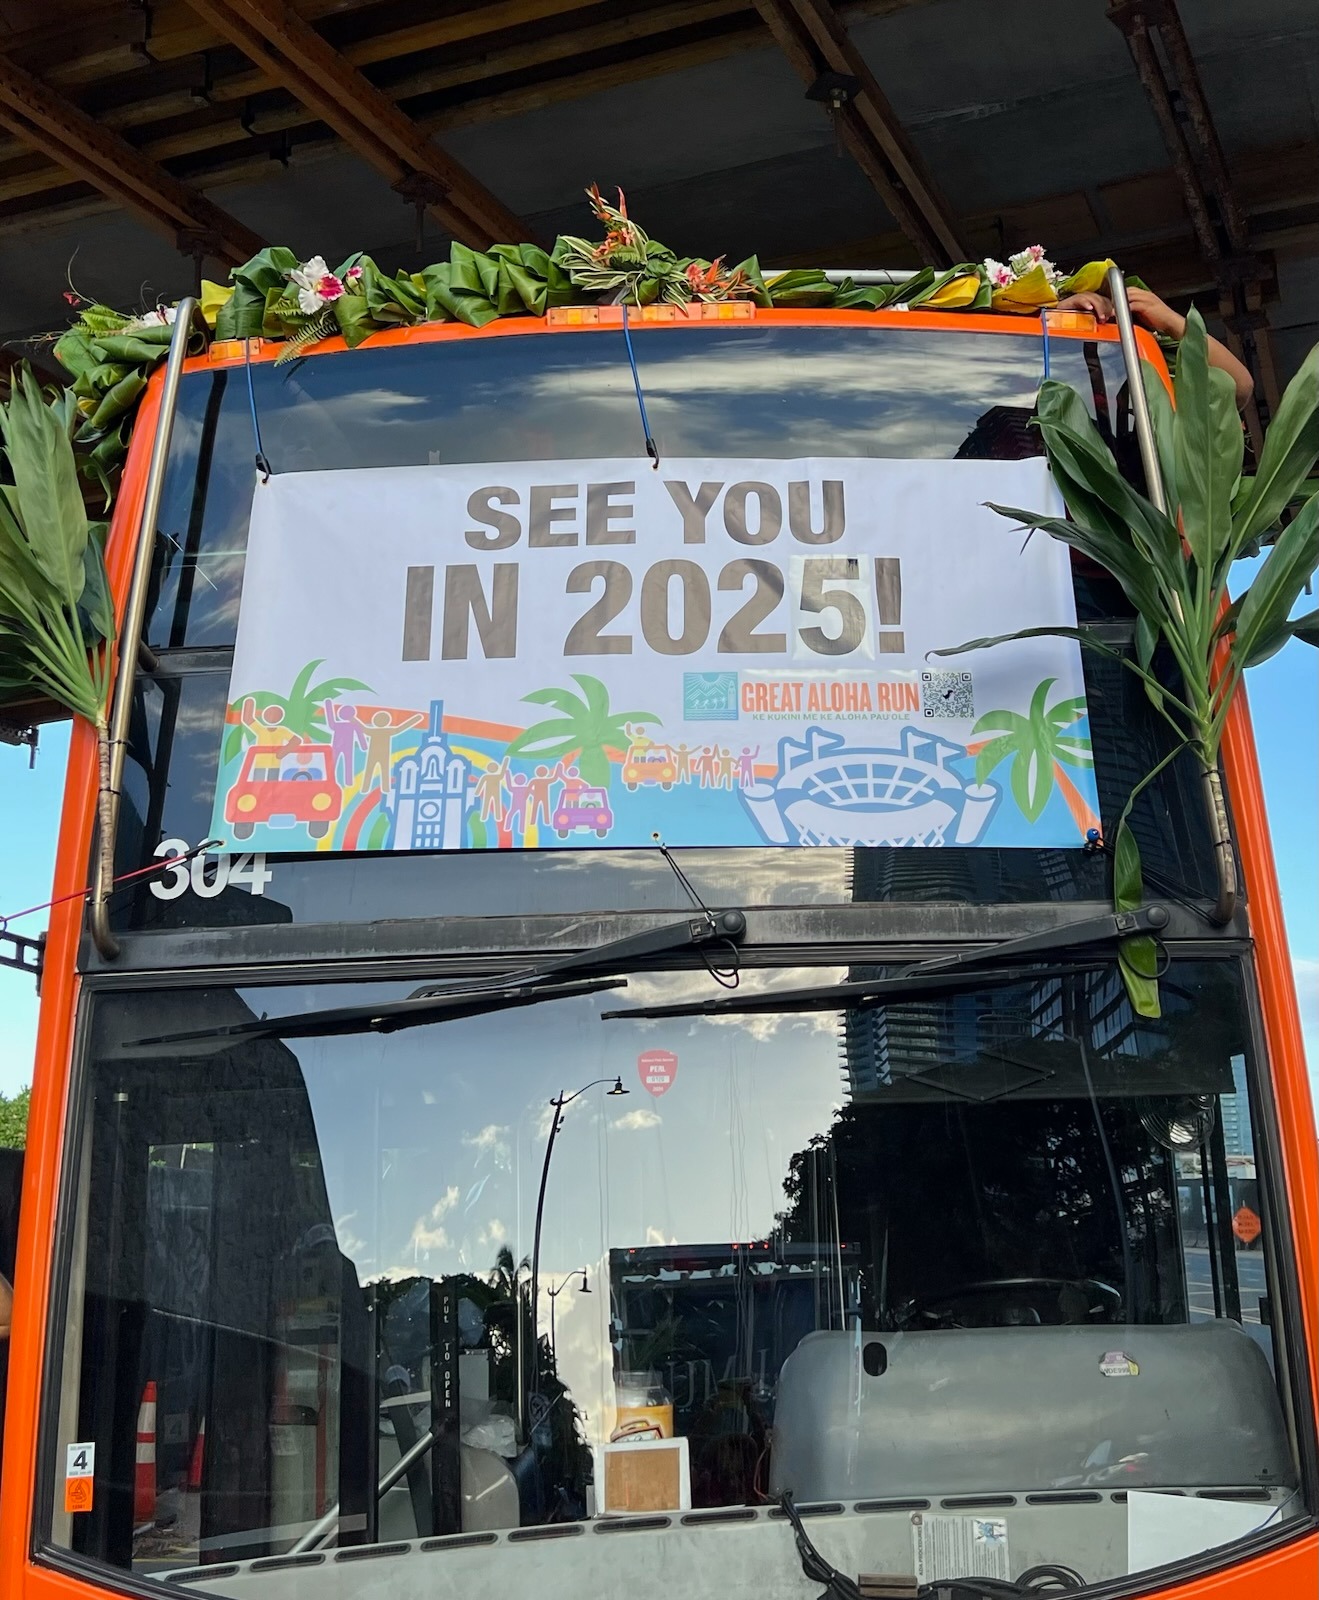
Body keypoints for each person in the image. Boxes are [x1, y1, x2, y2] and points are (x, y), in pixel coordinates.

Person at [1055, 283, 1254, 411]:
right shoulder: (1050, 390)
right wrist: (1054, 319)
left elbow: (1238, 387)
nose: (1095, 355)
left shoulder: (1155, 391)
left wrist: (1171, 321)